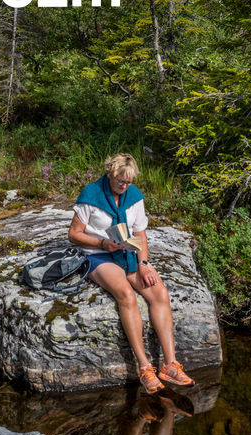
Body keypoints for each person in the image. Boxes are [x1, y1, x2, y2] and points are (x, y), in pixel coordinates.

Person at [69, 152, 196, 395]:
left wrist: (145, 263)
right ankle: (144, 367)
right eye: (121, 181)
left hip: (126, 252)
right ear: (110, 174)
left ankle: (170, 365)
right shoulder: (90, 194)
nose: (125, 186)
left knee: (159, 292)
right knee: (126, 294)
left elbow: (140, 236)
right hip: (98, 254)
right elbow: (74, 234)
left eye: (129, 181)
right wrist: (103, 244)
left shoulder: (135, 196)